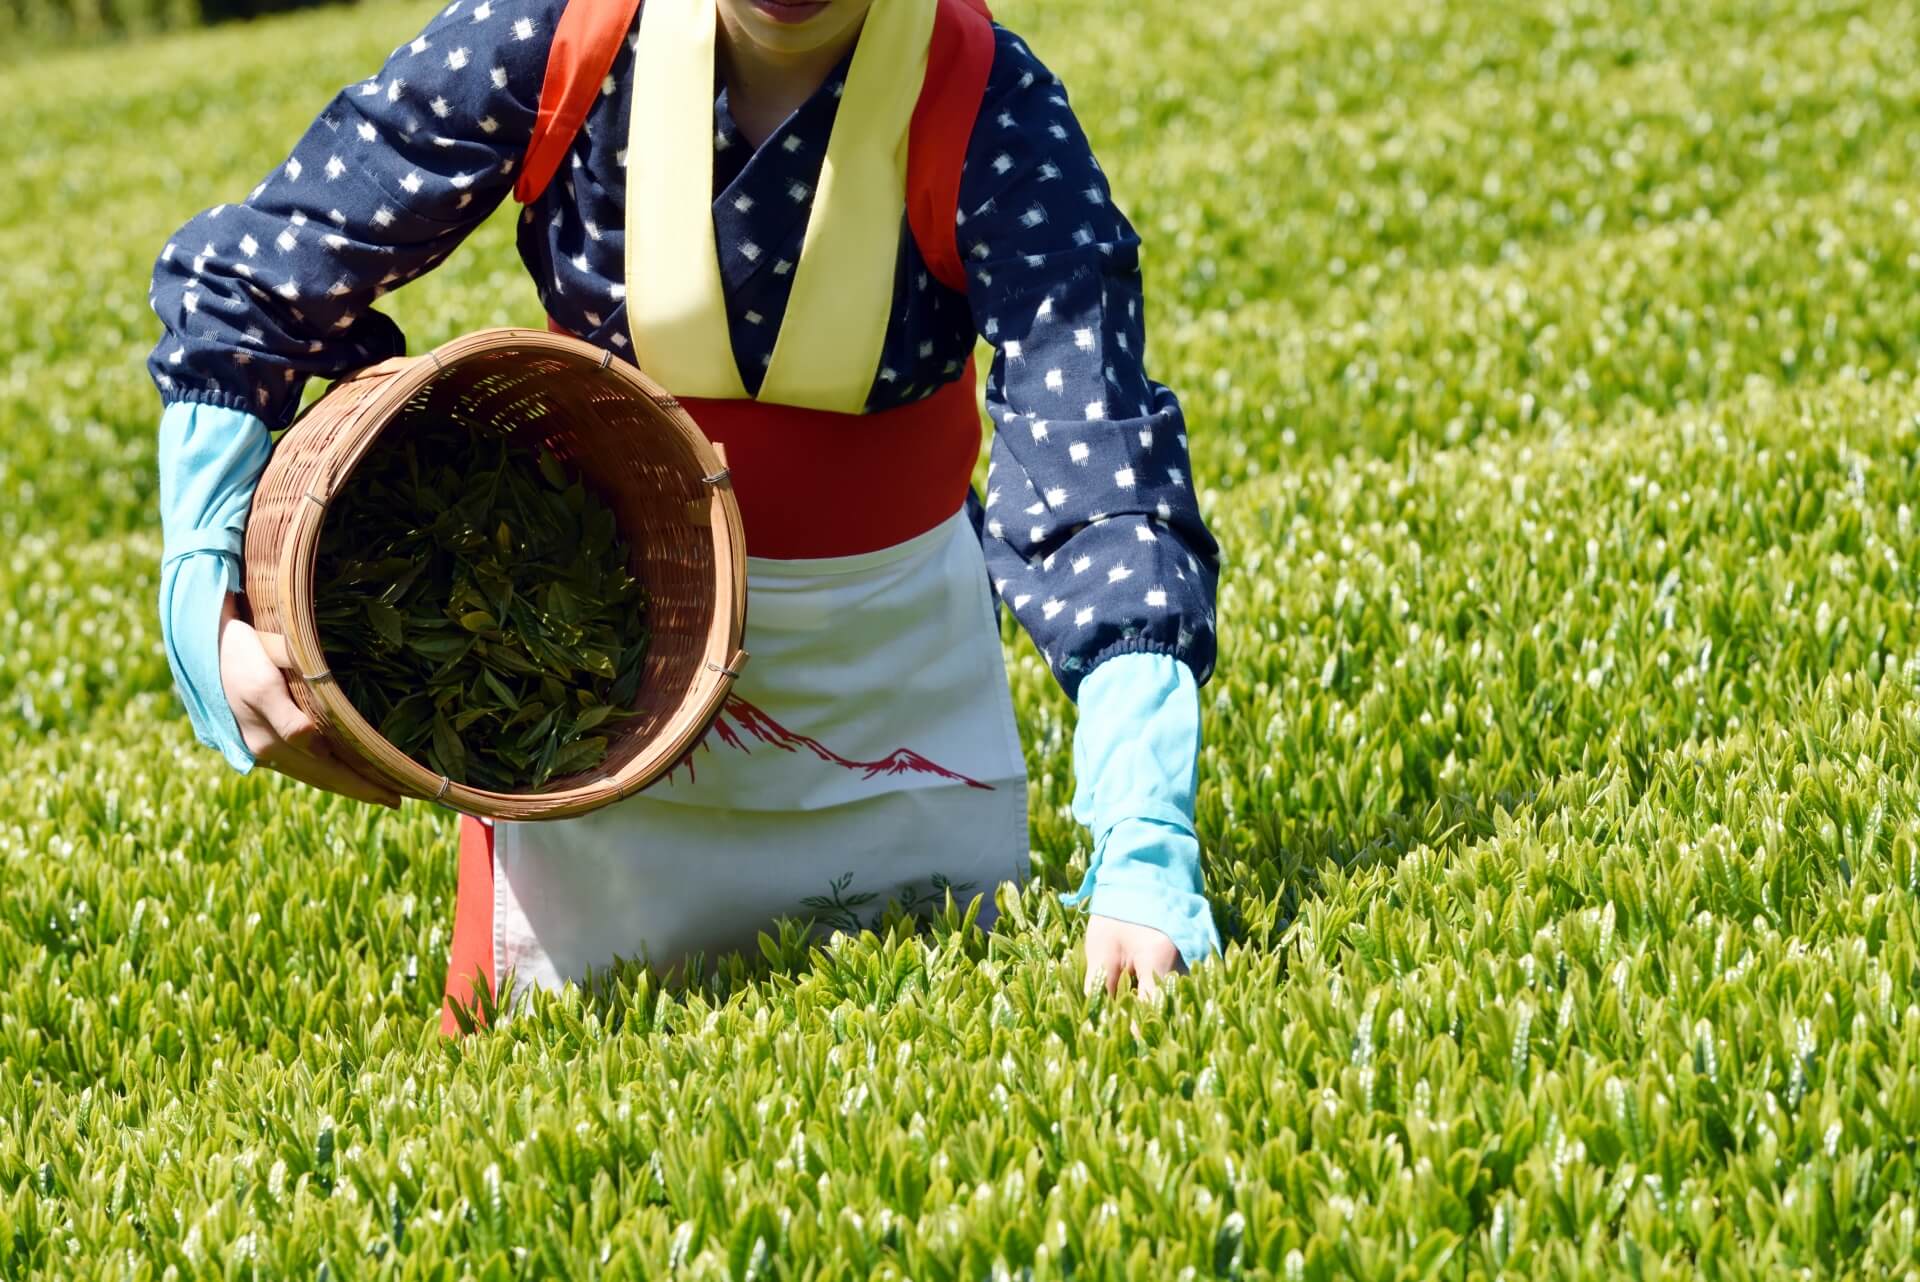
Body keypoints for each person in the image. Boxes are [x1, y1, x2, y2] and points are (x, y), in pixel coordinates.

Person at [147, 0, 1223, 1029]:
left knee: (933, 1020)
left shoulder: (991, 104)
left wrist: (1144, 833)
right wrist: (204, 588)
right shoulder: (559, 34)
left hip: (887, 699)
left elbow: (1096, 469)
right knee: (563, 1090)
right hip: (603, 680)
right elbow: (258, 277)